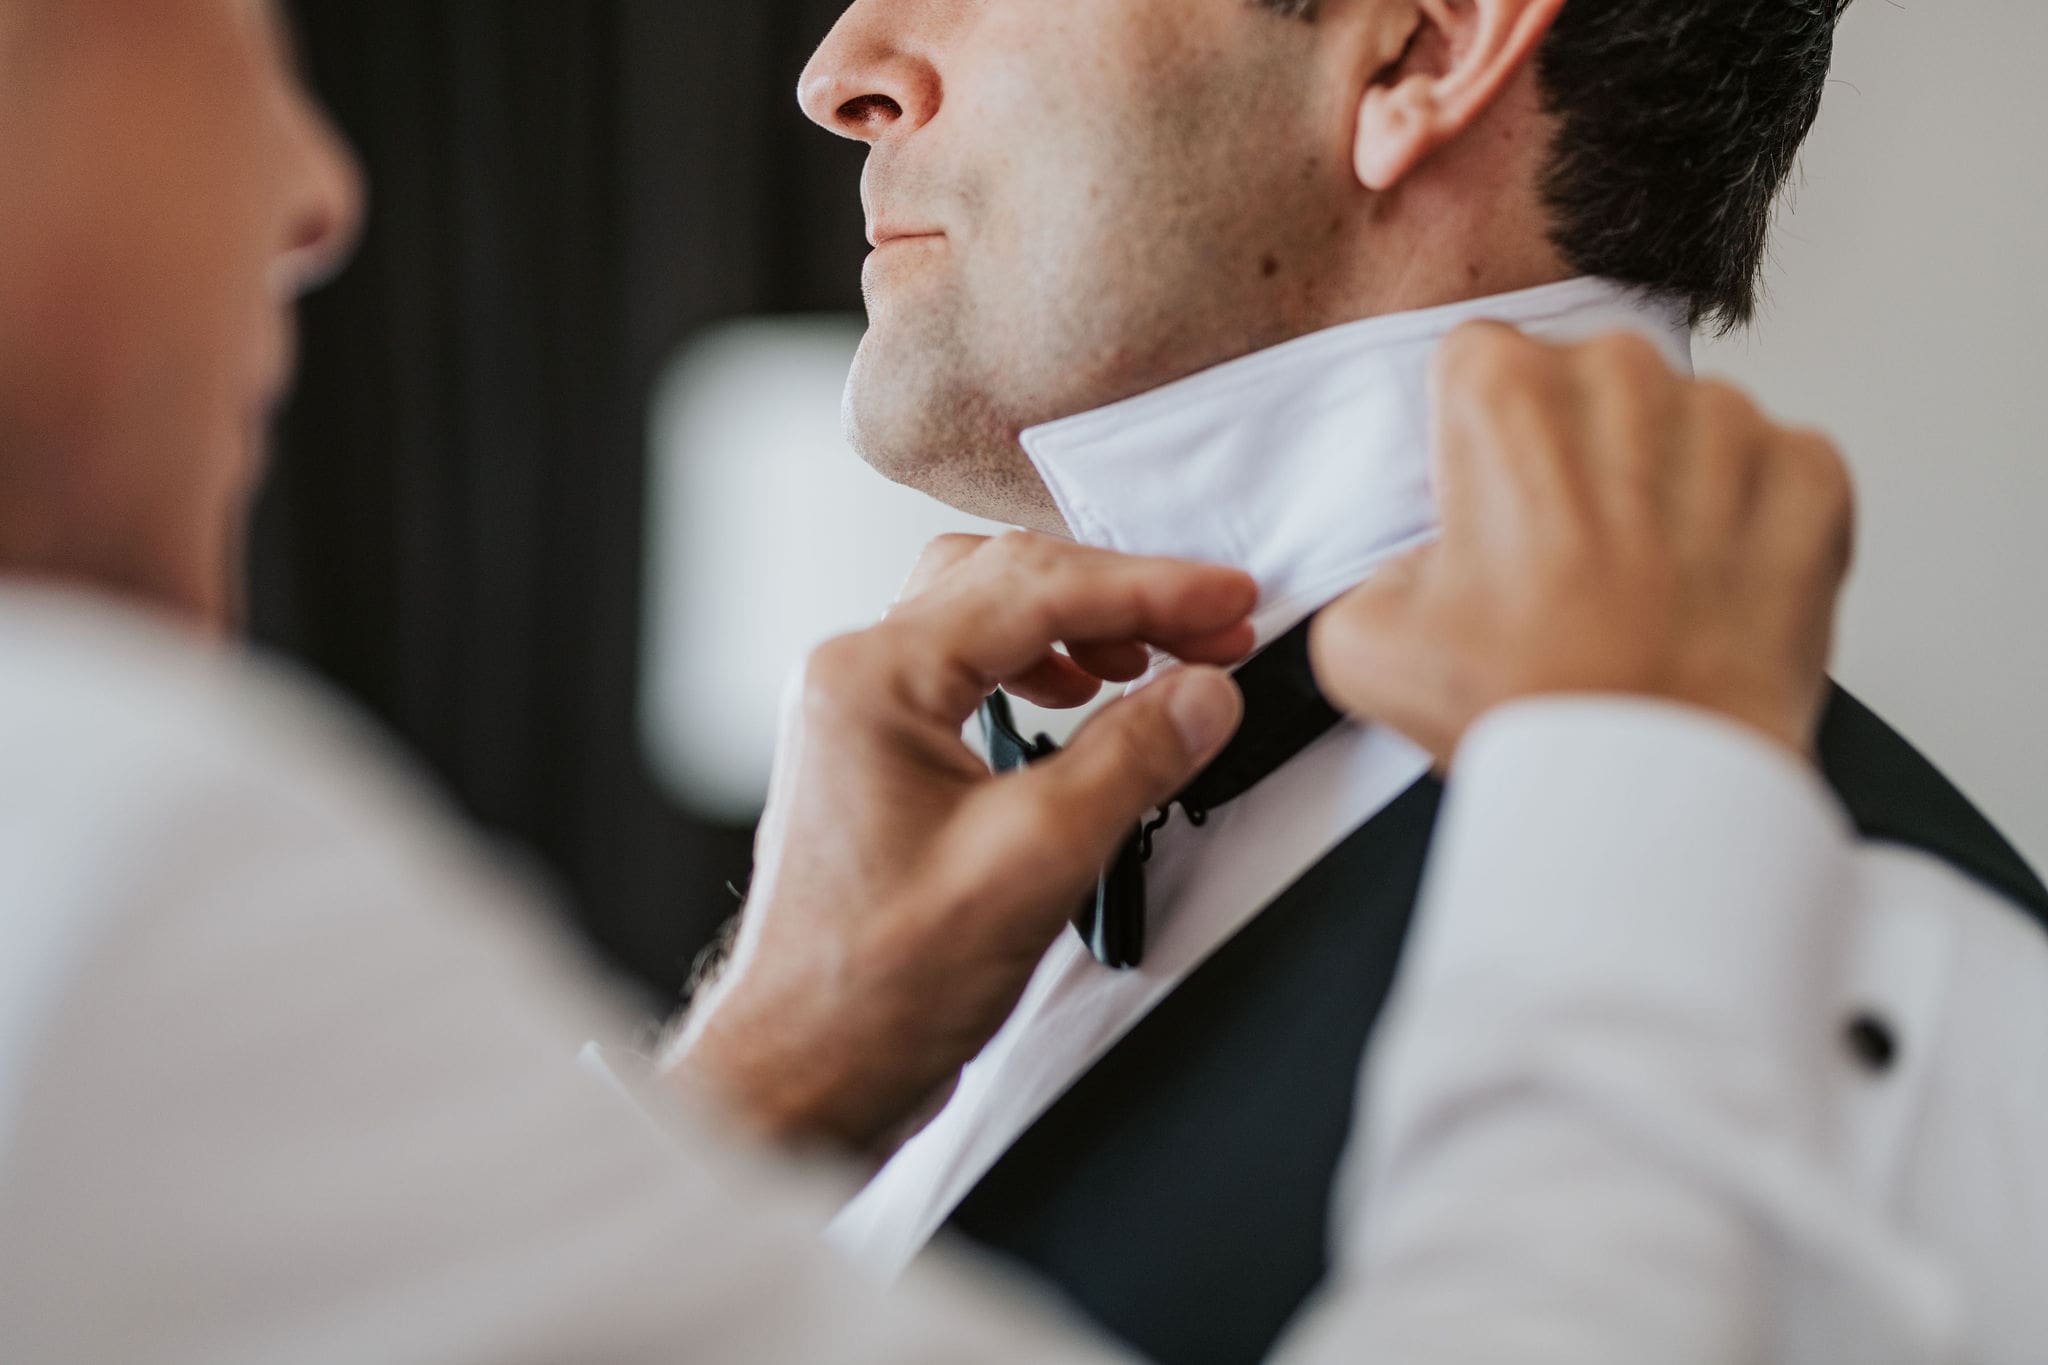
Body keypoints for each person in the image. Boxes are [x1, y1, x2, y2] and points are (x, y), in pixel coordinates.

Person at [758, 0, 2048, 1360]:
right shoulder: (894, 969)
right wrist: (759, 1073)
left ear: (1427, 42)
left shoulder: (1921, 1005)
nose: (839, 76)